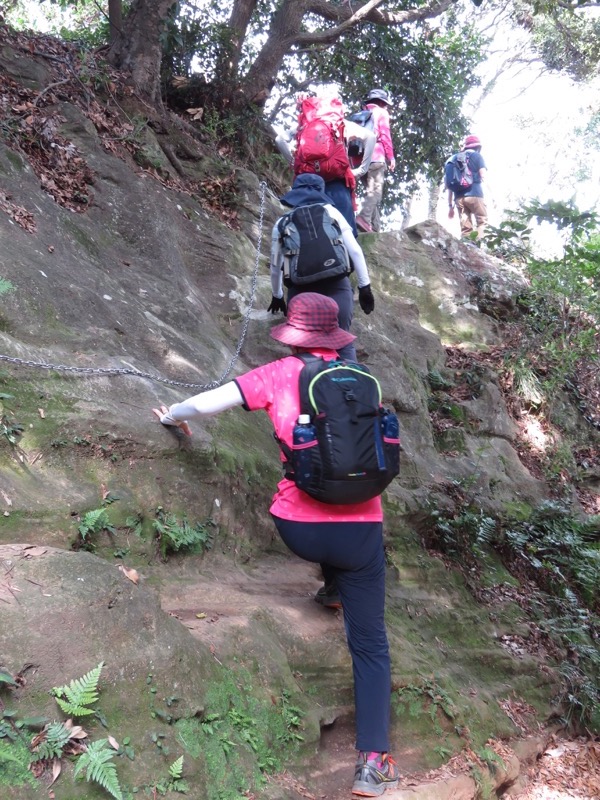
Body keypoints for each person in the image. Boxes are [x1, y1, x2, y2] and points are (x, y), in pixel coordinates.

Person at [153, 292, 400, 797]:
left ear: (292, 333)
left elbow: (207, 403)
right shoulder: (363, 382)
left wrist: (169, 415)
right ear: (336, 336)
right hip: (360, 531)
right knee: (370, 644)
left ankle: (330, 585)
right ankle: (372, 765)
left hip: (298, 529)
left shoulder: (277, 375)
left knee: (324, 533)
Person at [267, 173, 375, 364]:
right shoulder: (331, 212)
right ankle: (351, 389)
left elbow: (276, 265)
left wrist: (277, 296)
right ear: (321, 191)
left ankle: (309, 389)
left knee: (305, 350)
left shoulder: (282, 223)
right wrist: (365, 287)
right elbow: (355, 251)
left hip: (301, 292)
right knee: (342, 343)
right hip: (336, 287)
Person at [274, 110, 376, 237]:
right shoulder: (340, 123)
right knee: (345, 232)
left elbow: (279, 140)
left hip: (307, 186)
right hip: (337, 183)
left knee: (308, 233)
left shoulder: (306, 124)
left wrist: (296, 164)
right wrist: (362, 170)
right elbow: (371, 137)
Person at [355, 89, 396, 234]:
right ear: (381, 102)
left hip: (358, 160)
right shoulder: (381, 113)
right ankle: (363, 219)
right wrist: (391, 157)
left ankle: (375, 229)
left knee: (371, 194)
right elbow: (385, 135)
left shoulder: (360, 114)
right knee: (375, 192)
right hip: (375, 156)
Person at [446, 134, 487, 239]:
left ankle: (467, 249)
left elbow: (449, 184)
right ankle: (479, 250)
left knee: (466, 229)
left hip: (459, 198)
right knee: (482, 222)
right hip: (475, 194)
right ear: (478, 147)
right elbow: (483, 175)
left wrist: (450, 206)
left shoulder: (454, 158)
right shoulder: (477, 156)